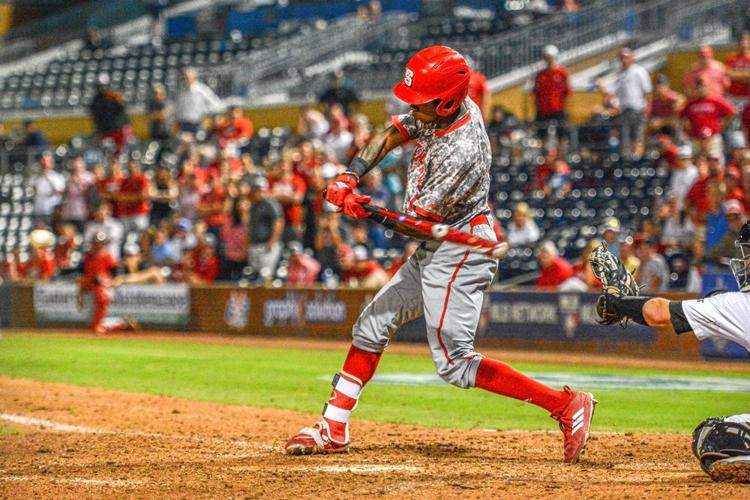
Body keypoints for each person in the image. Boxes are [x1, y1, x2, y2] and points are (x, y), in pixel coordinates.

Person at [285, 46, 596, 463]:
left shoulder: (461, 151)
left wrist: (367, 208)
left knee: (455, 363)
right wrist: (350, 174)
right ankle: (335, 426)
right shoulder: (443, 110)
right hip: (440, 240)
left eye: (422, 102)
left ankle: (565, 404)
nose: (413, 108)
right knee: (373, 323)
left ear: (447, 100)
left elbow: (414, 223)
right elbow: (392, 133)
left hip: (460, 247)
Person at [591, 221, 750, 483]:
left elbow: (658, 314)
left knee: (711, 435)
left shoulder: (740, 304)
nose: (744, 263)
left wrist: (618, 302)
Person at [598, 48, 652, 158]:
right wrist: (601, 87)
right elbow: (612, 93)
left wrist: (648, 108)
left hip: (637, 110)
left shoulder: (639, 71)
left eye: (626, 57)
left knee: (637, 138)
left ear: (632, 58)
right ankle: (628, 160)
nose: (624, 60)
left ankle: (637, 160)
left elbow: (647, 91)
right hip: (624, 111)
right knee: (625, 137)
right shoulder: (620, 75)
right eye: (622, 57)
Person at [78, 232, 134, 334]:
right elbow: (81, 279)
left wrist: (108, 282)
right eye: (96, 243)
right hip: (89, 292)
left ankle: (100, 327)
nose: (98, 245)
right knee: (92, 322)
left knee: (101, 298)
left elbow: (117, 277)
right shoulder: (87, 258)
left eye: (101, 243)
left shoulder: (108, 258)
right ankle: (121, 324)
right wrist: (80, 296)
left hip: (103, 290)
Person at [680, 79, 735, 157]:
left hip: (713, 138)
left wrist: (722, 124)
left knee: (715, 159)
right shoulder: (691, 103)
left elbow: (732, 112)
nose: (701, 90)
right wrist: (688, 129)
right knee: (697, 160)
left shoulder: (715, 101)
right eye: (699, 88)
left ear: (707, 88)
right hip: (696, 139)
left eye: (703, 87)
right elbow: (682, 116)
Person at [533, 45, 570, 147]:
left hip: (558, 109)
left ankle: (561, 157)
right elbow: (536, 94)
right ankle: (544, 156)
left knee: (562, 134)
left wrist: (566, 110)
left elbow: (567, 93)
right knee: (542, 134)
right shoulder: (540, 75)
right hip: (543, 109)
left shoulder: (562, 73)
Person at [248, 175, 284, 281]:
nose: (259, 192)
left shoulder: (270, 204)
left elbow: (278, 223)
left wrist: (272, 241)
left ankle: (268, 297)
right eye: (256, 189)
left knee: (266, 274)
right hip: (255, 245)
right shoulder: (254, 205)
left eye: (260, 189)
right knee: (255, 275)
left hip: (267, 245)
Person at [174, 67, 225, 135]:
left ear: (194, 77)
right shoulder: (182, 91)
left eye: (188, 77)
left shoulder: (201, 90)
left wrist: (206, 115)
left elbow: (215, 104)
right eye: (185, 77)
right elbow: (179, 108)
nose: (186, 79)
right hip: (184, 124)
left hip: (198, 123)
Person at [89, 73, 132, 153]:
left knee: (122, 152)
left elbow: (123, 108)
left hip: (119, 131)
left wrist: (117, 99)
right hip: (106, 132)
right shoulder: (96, 101)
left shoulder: (115, 96)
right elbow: (96, 118)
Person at [30, 151, 65, 228]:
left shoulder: (57, 177)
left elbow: (59, 191)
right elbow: (33, 191)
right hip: (39, 210)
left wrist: (48, 177)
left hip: (52, 212)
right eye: (43, 162)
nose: (45, 165)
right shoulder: (35, 178)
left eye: (47, 162)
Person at [726, 33, 750, 106]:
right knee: (735, 117)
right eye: (741, 41)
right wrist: (745, 76)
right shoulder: (732, 57)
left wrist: (735, 75)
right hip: (734, 96)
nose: (744, 43)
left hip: (748, 96)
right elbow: (728, 74)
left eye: (746, 41)